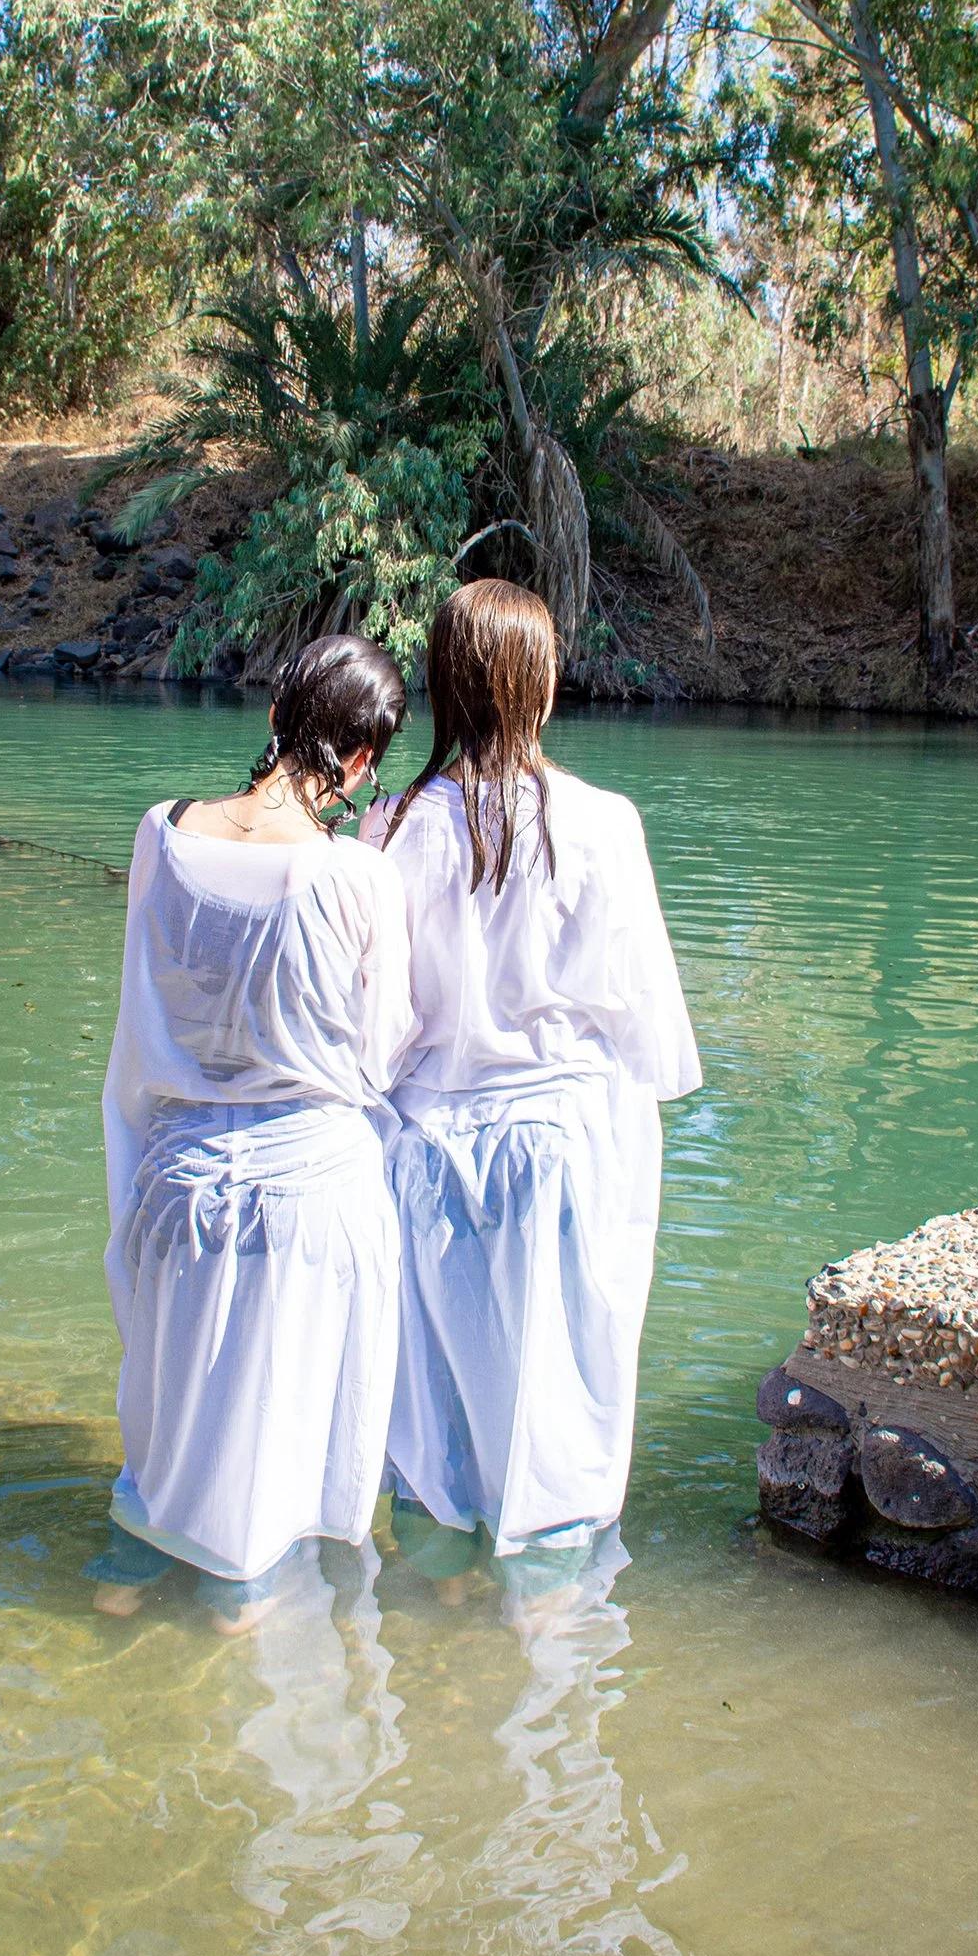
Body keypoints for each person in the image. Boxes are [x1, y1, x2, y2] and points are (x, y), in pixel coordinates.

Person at [361, 578, 700, 1607]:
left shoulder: (388, 827)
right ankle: (549, 1633)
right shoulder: (599, 822)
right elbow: (648, 1029)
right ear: (536, 685)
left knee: (433, 1413)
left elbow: (376, 1030)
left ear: (445, 685)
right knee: (556, 1406)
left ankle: (432, 1614)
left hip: (425, 1151)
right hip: (559, 1146)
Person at [90, 634, 414, 1632]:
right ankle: (241, 1595)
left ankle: (130, 1568)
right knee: (278, 1430)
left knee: (170, 1414)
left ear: (274, 716)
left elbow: (143, 1009)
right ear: (360, 760)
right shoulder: (357, 875)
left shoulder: (161, 830)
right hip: (313, 1191)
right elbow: (382, 1051)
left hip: (178, 1181)